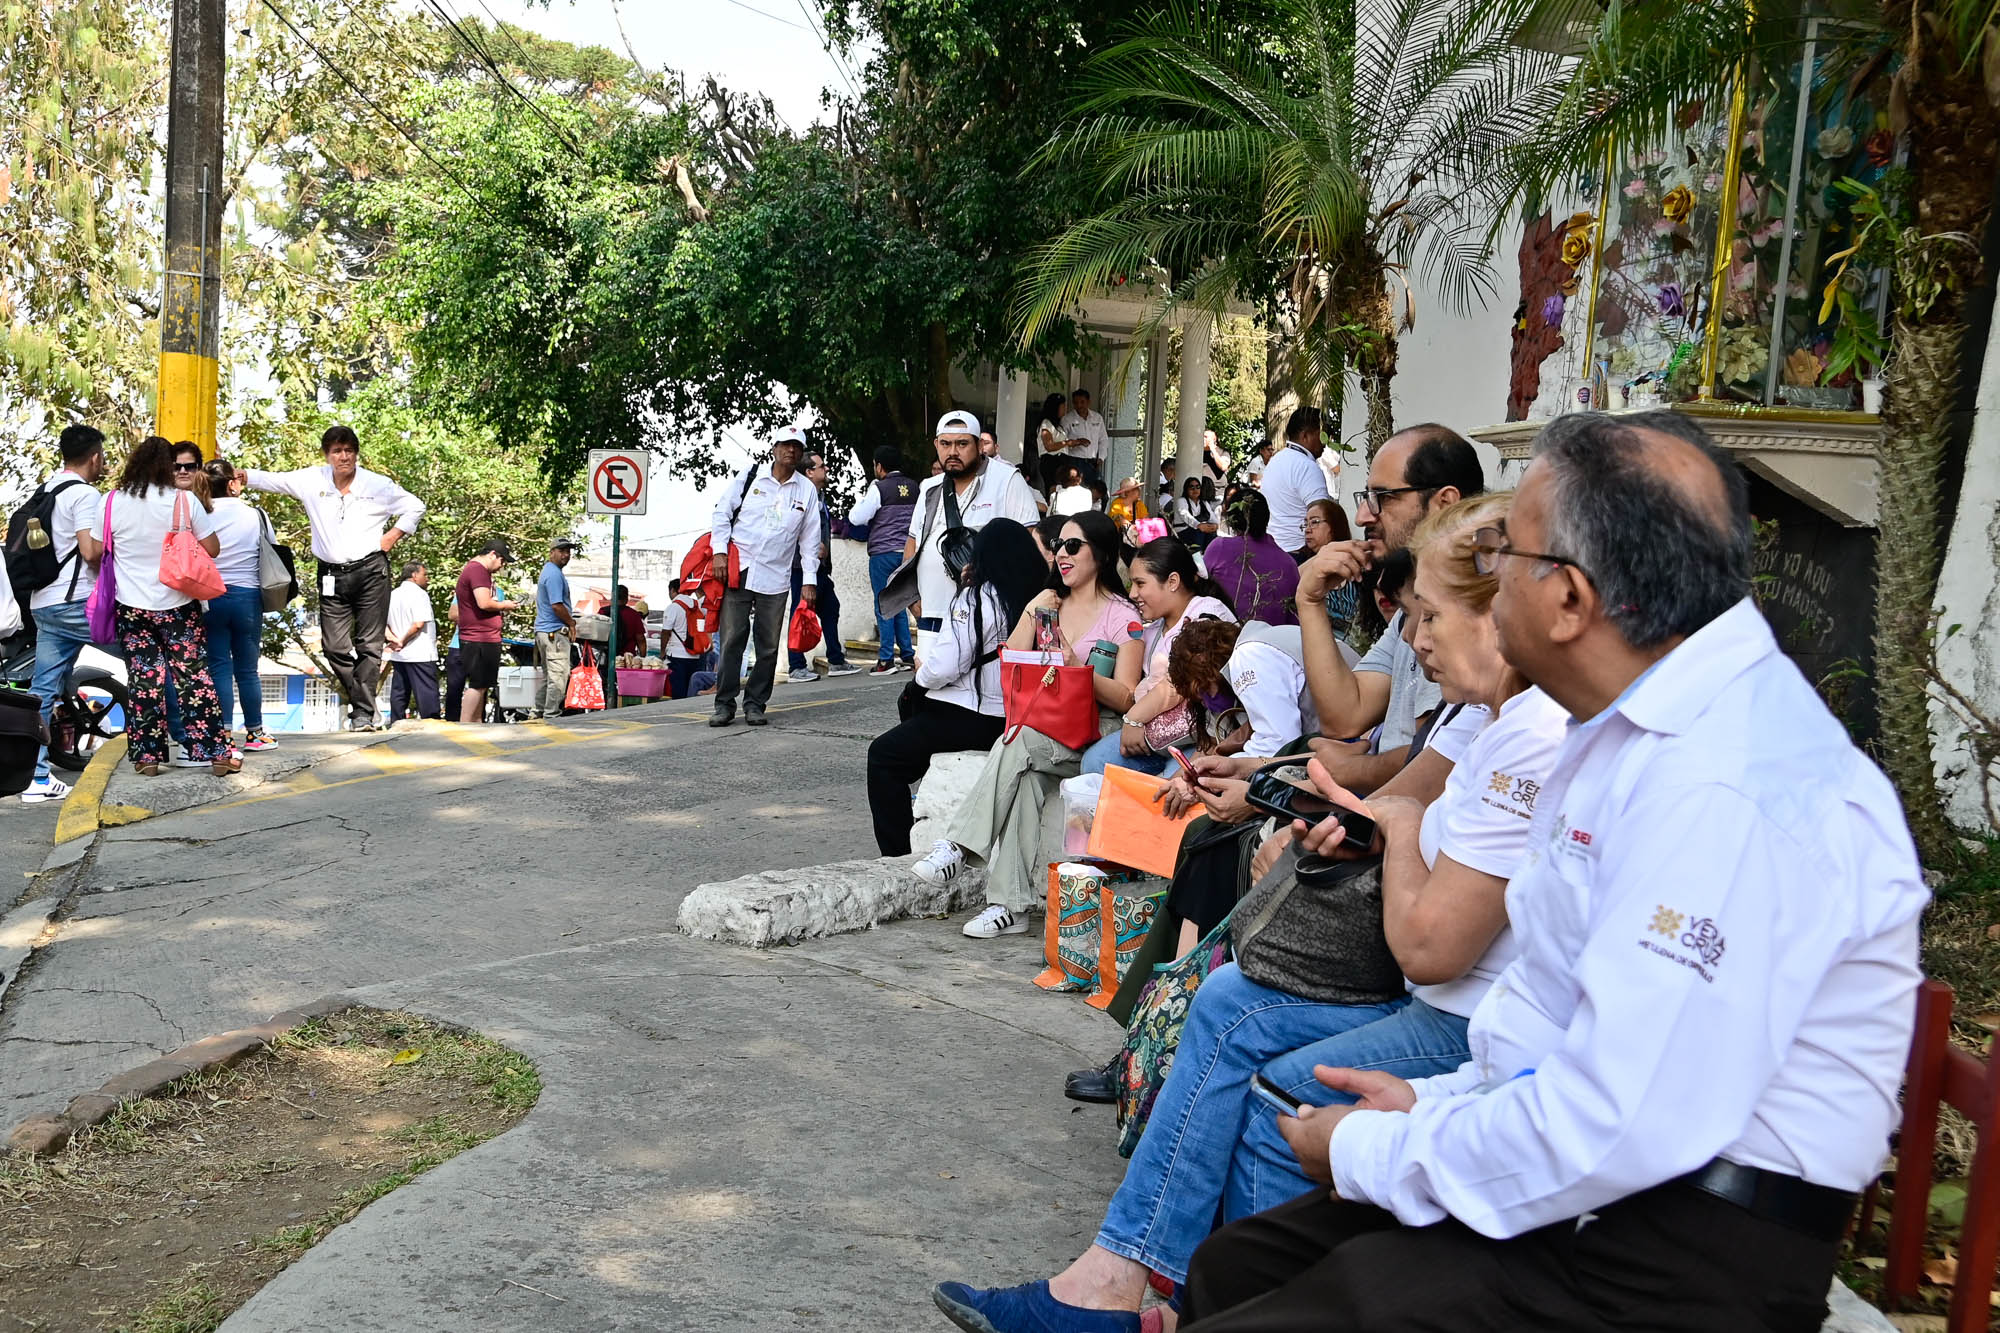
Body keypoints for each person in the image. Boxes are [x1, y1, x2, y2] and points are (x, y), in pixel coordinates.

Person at [1170, 412, 1928, 1333]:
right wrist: (1432, 1100)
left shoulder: (1727, 783)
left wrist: (1381, 1149)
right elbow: (1551, 1025)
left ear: (1567, 598)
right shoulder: (1616, 729)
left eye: (1508, 558)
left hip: (1670, 1254)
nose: (1487, 580)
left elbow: (1615, 1120)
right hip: (1587, 1188)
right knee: (1236, 1264)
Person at [932, 494, 1573, 1333]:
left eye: (1429, 616)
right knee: (1226, 988)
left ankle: (1192, 1303)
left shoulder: (1531, 732)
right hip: (1437, 989)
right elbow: (1378, 787)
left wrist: (1383, 827)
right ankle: (1123, 1281)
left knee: (1272, 1090)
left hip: (1459, 1014)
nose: (1416, 639)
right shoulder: (1482, 716)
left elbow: (1428, 934)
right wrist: (1306, 811)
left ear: (1501, 614)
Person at [912, 511, 1143, 938]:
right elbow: (1012, 662)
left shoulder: (1121, 615)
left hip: (1096, 731)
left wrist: (1077, 667)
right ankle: (1011, 906)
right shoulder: (1051, 603)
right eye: (1058, 546)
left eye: (1074, 546)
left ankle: (958, 846)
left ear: (1102, 554)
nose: (1062, 555)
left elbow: (1128, 695)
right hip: (1049, 726)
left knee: (1016, 742)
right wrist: (1031, 613)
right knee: (1026, 780)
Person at [1298, 423, 1486, 794]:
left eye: (1383, 497)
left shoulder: (1469, 612)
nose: (1363, 517)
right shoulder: (1408, 611)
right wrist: (1310, 601)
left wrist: (1354, 770)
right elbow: (1345, 716)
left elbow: (1433, 757)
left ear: (1444, 503)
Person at [866, 519, 1046, 856]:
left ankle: (895, 857)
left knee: (883, 756)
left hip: (969, 714)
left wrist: (918, 682)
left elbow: (946, 666)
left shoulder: (978, 599)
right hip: (1012, 716)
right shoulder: (1038, 596)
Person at [240, 425, 426, 732]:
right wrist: (243, 474)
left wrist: (392, 536)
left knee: (369, 644)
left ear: (356, 454)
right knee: (334, 647)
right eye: (337, 451)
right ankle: (363, 698)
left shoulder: (376, 484)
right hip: (331, 574)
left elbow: (415, 505)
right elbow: (275, 480)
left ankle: (362, 715)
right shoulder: (312, 479)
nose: (344, 457)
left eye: (349, 451)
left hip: (371, 572)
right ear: (327, 455)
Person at [104, 437, 238, 777]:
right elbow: (213, 549)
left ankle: (147, 758)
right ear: (168, 466)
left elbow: (93, 552)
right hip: (177, 603)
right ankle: (217, 754)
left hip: (131, 605)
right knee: (194, 678)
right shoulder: (184, 501)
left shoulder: (111, 501)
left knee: (144, 679)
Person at [880, 411, 1040, 662]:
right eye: (945, 444)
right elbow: (913, 542)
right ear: (936, 445)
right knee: (928, 693)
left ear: (979, 445)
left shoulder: (1007, 480)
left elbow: (1031, 544)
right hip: (931, 615)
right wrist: (913, 598)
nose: (952, 451)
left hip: (988, 619)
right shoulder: (929, 488)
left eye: (962, 443)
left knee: (978, 696)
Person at [1079, 538, 1235, 779]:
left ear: (1172, 581)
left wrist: (1134, 719)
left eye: (1140, 583)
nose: (1132, 593)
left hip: (1204, 736)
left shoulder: (1207, 613)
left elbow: (1178, 683)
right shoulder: (1152, 629)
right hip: (1154, 735)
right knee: (1095, 762)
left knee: (1174, 787)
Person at [17, 424, 108, 804]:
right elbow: (90, 552)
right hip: (75, 603)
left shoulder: (45, 489)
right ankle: (174, 744)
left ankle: (34, 777)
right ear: (95, 457)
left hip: (44, 603)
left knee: (42, 692)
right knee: (145, 656)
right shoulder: (85, 495)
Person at [708, 426, 820, 728]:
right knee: (732, 640)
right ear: (774, 447)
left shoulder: (806, 490)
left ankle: (756, 704)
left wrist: (809, 579)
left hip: (777, 576)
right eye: (786, 445)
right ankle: (724, 705)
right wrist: (719, 551)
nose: (791, 451)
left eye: (797, 447)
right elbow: (721, 513)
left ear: (801, 453)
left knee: (768, 645)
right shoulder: (750, 475)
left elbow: (810, 539)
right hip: (740, 569)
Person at [198, 458, 275, 750]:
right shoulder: (255, 515)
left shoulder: (199, 514)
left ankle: (223, 737)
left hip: (210, 598)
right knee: (247, 670)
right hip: (247, 598)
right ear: (233, 484)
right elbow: (271, 547)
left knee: (218, 667)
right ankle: (255, 734)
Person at [848, 445, 919, 676]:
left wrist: (869, 491)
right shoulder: (915, 487)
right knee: (900, 603)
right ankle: (908, 655)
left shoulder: (879, 488)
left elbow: (857, 517)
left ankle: (886, 659)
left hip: (883, 554)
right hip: (907, 553)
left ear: (879, 466)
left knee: (883, 604)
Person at [789, 450, 859, 682]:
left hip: (819, 568)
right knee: (800, 612)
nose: (826, 469)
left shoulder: (818, 498)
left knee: (830, 608)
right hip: (802, 567)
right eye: (821, 466)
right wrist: (807, 547)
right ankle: (796, 666)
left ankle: (836, 660)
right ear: (809, 472)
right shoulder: (799, 497)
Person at [1202, 491, 1298, 626]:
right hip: (1272, 642)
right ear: (1267, 517)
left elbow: (1198, 592)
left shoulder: (1220, 548)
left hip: (1223, 639)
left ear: (1231, 519)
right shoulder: (1289, 563)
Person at [455, 540, 520, 725]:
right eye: (502, 561)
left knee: (482, 685)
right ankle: (466, 724)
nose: (501, 566)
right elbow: (484, 603)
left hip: (482, 636)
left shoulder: (474, 570)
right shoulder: (477, 570)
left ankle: (476, 724)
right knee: (477, 685)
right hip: (478, 638)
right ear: (492, 554)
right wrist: (505, 605)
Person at [1257, 406, 1331, 561]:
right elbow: (1321, 517)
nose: (1326, 441)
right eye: (1322, 434)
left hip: (1273, 551)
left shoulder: (1275, 461)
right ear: (1305, 436)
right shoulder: (1307, 467)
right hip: (1299, 553)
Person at [382, 561, 440, 721]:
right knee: (426, 692)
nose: (427, 579)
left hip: (399, 654)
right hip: (420, 652)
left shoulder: (392, 594)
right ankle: (431, 724)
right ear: (414, 575)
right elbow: (418, 624)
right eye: (425, 574)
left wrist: (394, 640)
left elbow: (383, 623)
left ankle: (396, 723)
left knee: (400, 692)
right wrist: (403, 640)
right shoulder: (420, 594)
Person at [532, 539, 578, 717]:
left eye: (568, 551)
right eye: (561, 551)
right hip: (554, 633)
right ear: (552, 552)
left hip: (545, 632)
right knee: (558, 677)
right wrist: (571, 623)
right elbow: (557, 605)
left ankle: (537, 713)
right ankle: (551, 715)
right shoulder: (554, 574)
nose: (566, 555)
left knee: (550, 677)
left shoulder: (550, 571)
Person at [1302, 497, 1360, 637]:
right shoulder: (1305, 566)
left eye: (1315, 522)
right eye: (1305, 524)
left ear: (1334, 526)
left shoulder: (1356, 563)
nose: (1307, 530)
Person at [660, 578, 705, 699]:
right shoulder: (698, 605)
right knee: (693, 691)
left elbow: (665, 632)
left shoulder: (673, 607)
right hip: (697, 654)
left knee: (679, 691)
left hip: (677, 655)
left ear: (673, 590)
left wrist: (662, 651)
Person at [1058, 388, 1109, 485]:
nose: (1079, 405)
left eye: (1082, 402)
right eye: (1076, 403)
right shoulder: (1067, 419)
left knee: (1099, 491)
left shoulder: (1097, 418)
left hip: (1092, 462)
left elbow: (1103, 439)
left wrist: (1101, 457)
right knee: (1076, 491)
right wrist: (1077, 442)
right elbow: (1061, 441)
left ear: (1088, 402)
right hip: (1074, 461)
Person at [1170, 476, 1220, 550]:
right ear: (1186, 489)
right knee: (1199, 532)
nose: (1195, 490)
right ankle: (1197, 558)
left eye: (1197, 487)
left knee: (1212, 534)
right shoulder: (1181, 501)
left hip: (1199, 531)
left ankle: (1208, 556)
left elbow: (1212, 518)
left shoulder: (1204, 502)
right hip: (1183, 532)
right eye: (1191, 487)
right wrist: (1198, 525)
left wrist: (1214, 526)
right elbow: (1185, 515)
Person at [1034, 393, 1070, 491]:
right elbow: (1049, 446)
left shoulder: (1058, 425)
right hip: (1051, 460)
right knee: (1053, 489)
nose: (1064, 410)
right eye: (1062, 407)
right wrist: (1068, 443)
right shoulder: (1046, 423)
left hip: (1060, 460)